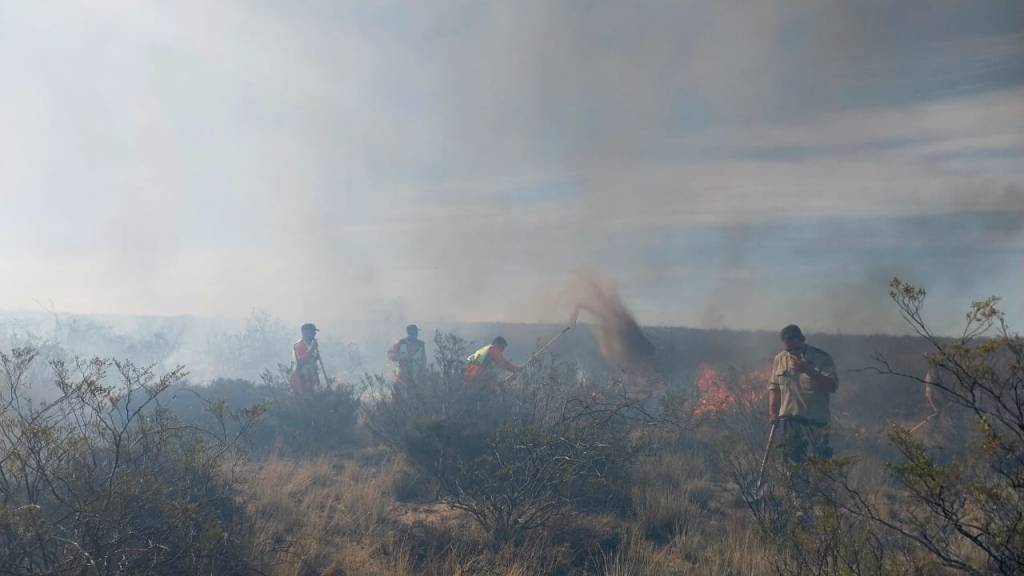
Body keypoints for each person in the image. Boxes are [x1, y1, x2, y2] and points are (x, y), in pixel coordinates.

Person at [768, 324, 838, 463]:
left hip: (816, 421)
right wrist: (772, 412)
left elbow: (832, 386)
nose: (793, 352)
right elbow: (774, 387)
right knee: (792, 465)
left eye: (797, 348)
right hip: (790, 421)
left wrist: (809, 370)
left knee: (819, 466)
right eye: (789, 349)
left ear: (803, 340)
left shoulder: (821, 358)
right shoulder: (780, 359)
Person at [289, 323, 321, 395]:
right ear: (305, 332)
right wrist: (312, 349)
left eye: (314, 332)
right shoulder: (299, 345)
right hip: (301, 380)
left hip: (311, 379)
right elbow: (301, 360)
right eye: (312, 332)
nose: (314, 334)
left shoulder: (309, 345)